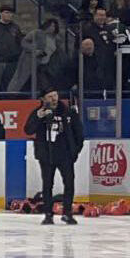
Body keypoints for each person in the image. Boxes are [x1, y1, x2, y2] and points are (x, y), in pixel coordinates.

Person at [24, 88, 83, 225]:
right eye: (50, 96)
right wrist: (38, 116)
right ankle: (48, 214)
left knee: (69, 184)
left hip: (65, 155)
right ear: (43, 99)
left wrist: (74, 151)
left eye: (55, 95)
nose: (54, 98)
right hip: (46, 156)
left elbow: (79, 134)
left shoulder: (69, 112)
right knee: (47, 185)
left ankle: (67, 213)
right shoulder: (38, 113)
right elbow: (28, 130)